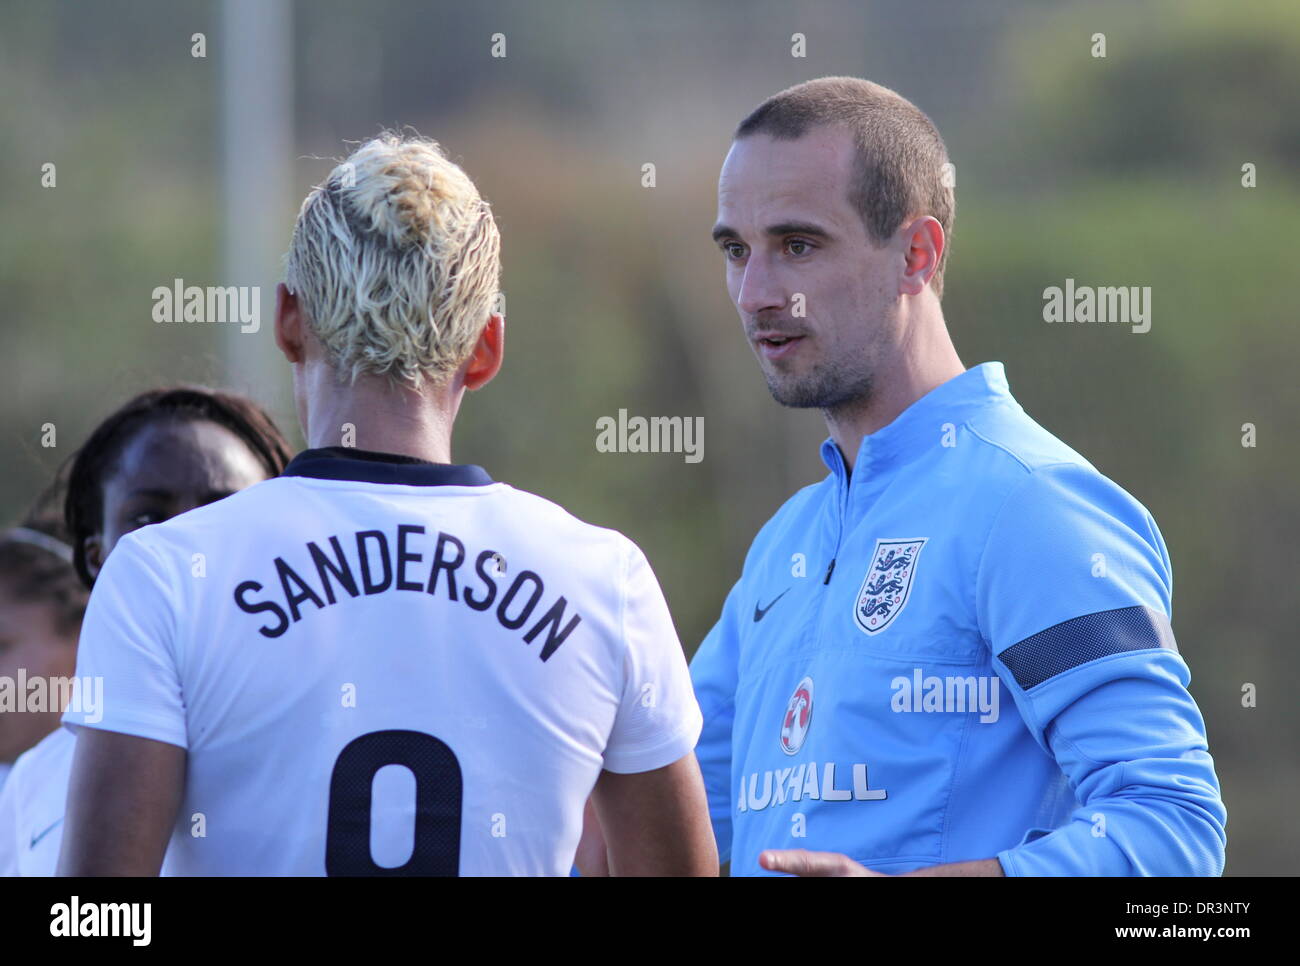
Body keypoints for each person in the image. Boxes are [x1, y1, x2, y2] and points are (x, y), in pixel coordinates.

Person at [59, 131, 716, 876]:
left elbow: (94, 915)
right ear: (487, 347)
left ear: (287, 321)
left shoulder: (164, 574)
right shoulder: (605, 580)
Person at [690, 77, 1226, 876]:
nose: (757, 293)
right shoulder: (784, 545)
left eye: (798, 246)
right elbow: (670, 822)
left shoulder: (1033, 503)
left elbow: (1174, 832)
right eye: (737, 250)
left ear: (918, 253)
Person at [0, 387, 292, 875]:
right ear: (96, 558)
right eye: (147, 520)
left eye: (220, 515)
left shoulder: (326, 733)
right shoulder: (37, 780)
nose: (181, 550)